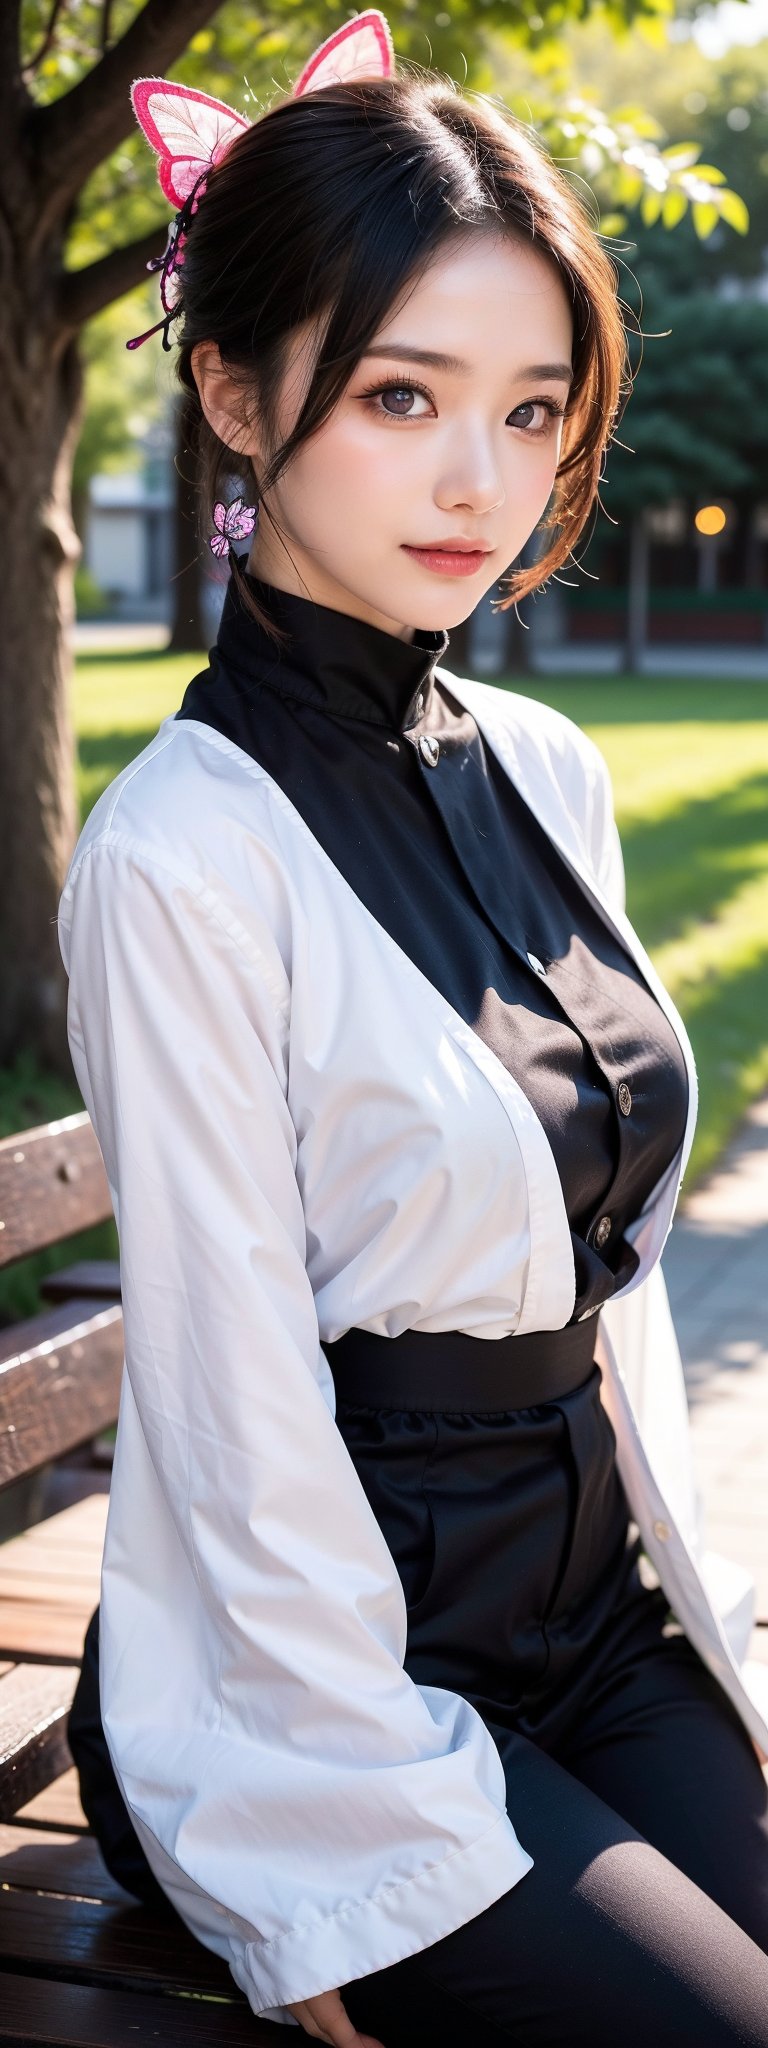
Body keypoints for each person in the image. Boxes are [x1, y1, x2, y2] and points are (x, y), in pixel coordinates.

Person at [58, 13, 768, 2045]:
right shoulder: (185, 851)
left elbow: (606, 1274)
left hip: (596, 1621)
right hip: (310, 1687)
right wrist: (350, 1860)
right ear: (235, 390)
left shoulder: (545, 763)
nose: (484, 480)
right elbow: (229, 1412)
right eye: (401, 395)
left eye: (535, 408)